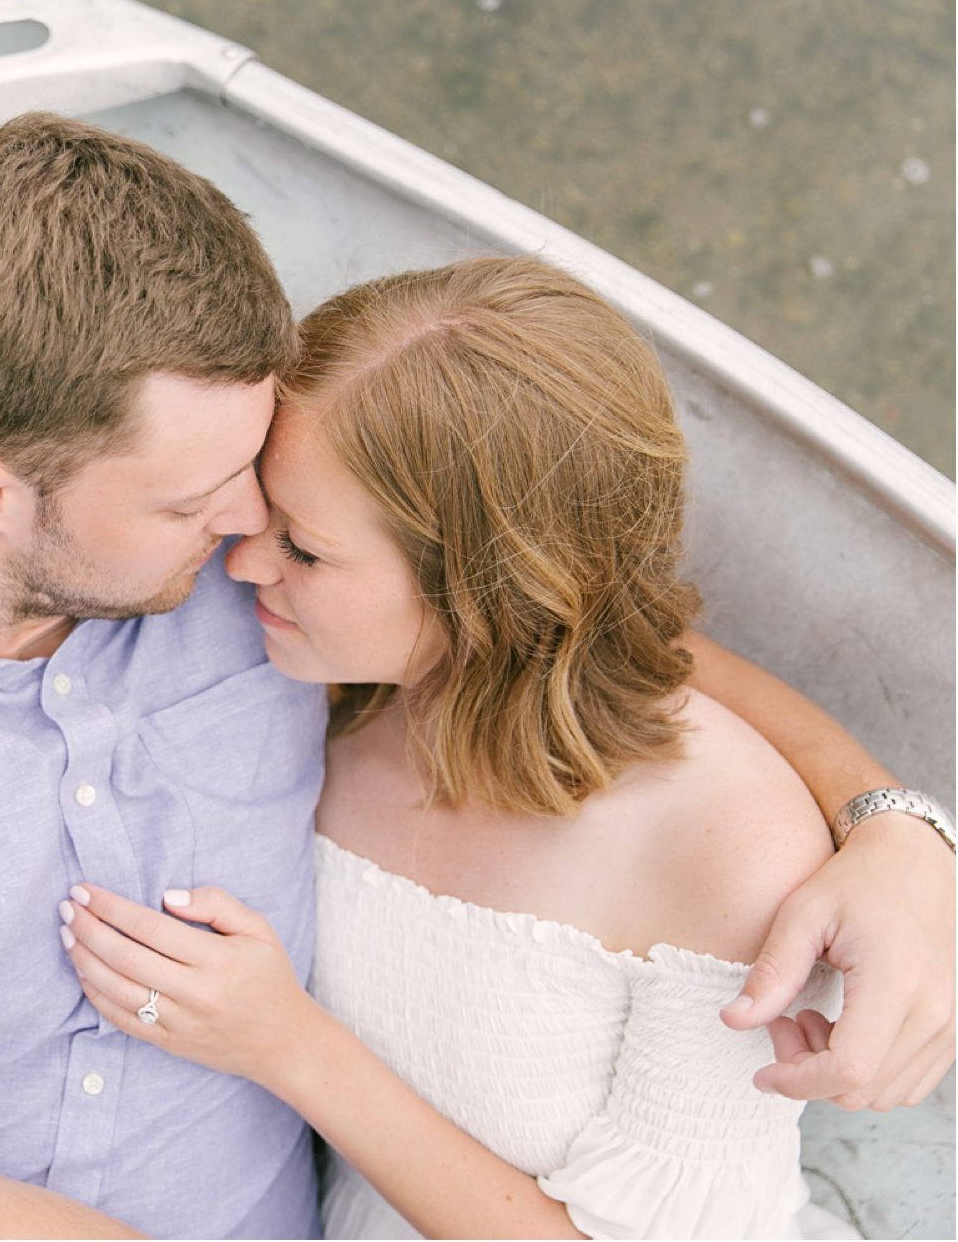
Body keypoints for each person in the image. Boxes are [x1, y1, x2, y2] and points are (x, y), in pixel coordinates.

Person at [0, 113, 952, 1239]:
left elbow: (573, 633)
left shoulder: (264, 592)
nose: (249, 531)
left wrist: (898, 828)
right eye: (202, 498)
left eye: (272, 493)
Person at [58, 256, 952, 1238]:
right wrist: (899, 822)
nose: (239, 561)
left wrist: (284, 1043)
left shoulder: (720, 853)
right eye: (260, 512)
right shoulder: (333, 671)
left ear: (481, 590)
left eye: (302, 548)